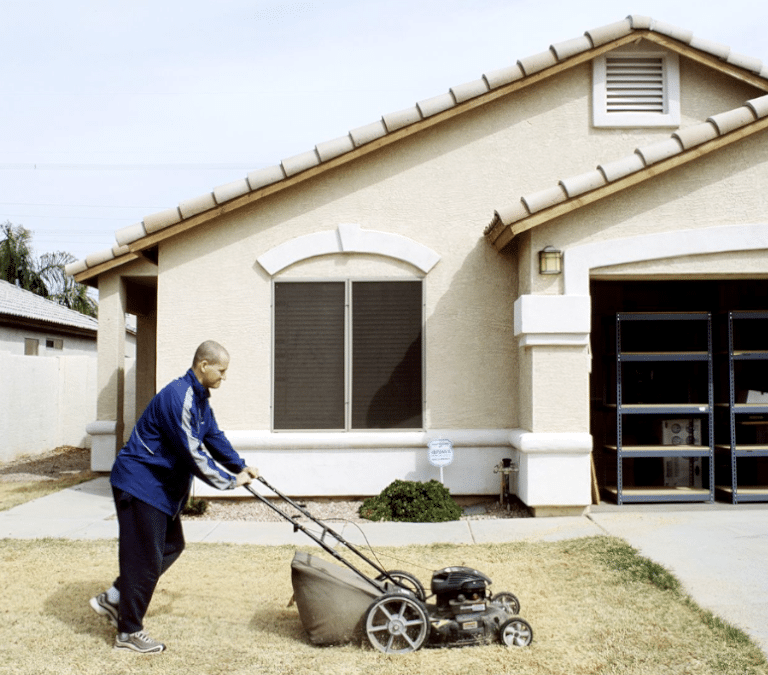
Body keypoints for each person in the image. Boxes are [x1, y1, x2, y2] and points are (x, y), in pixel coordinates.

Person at [89, 340, 258, 653]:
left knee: (171, 546)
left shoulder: (200, 398)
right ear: (203, 365)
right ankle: (128, 634)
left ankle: (114, 599)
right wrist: (229, 481)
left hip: (159, 489)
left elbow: (213, 437)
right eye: (221, 370)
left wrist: (241, 465)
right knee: (145, 559)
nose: (224, 377)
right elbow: (192, 451)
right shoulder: (178, 396)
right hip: (141, 485)